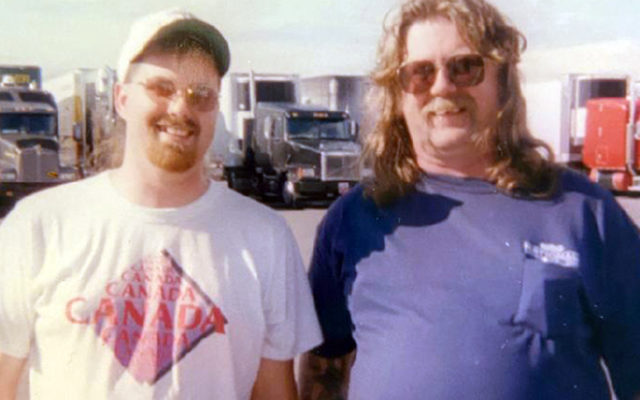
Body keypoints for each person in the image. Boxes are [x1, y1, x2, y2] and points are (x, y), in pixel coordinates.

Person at [299, 0, 640, 399]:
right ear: (398, 95)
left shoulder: (584, 212)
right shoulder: (353, 218)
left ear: (502, 83)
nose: (442, 86)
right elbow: (326, 365)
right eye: (420, 73)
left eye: (464, 67)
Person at [0, 9, 321, 400]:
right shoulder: (38, 226)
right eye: (161, 88)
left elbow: (274, 391)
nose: (181, 109)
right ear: (122, 99)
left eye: (200, 94)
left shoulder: (265, 238)